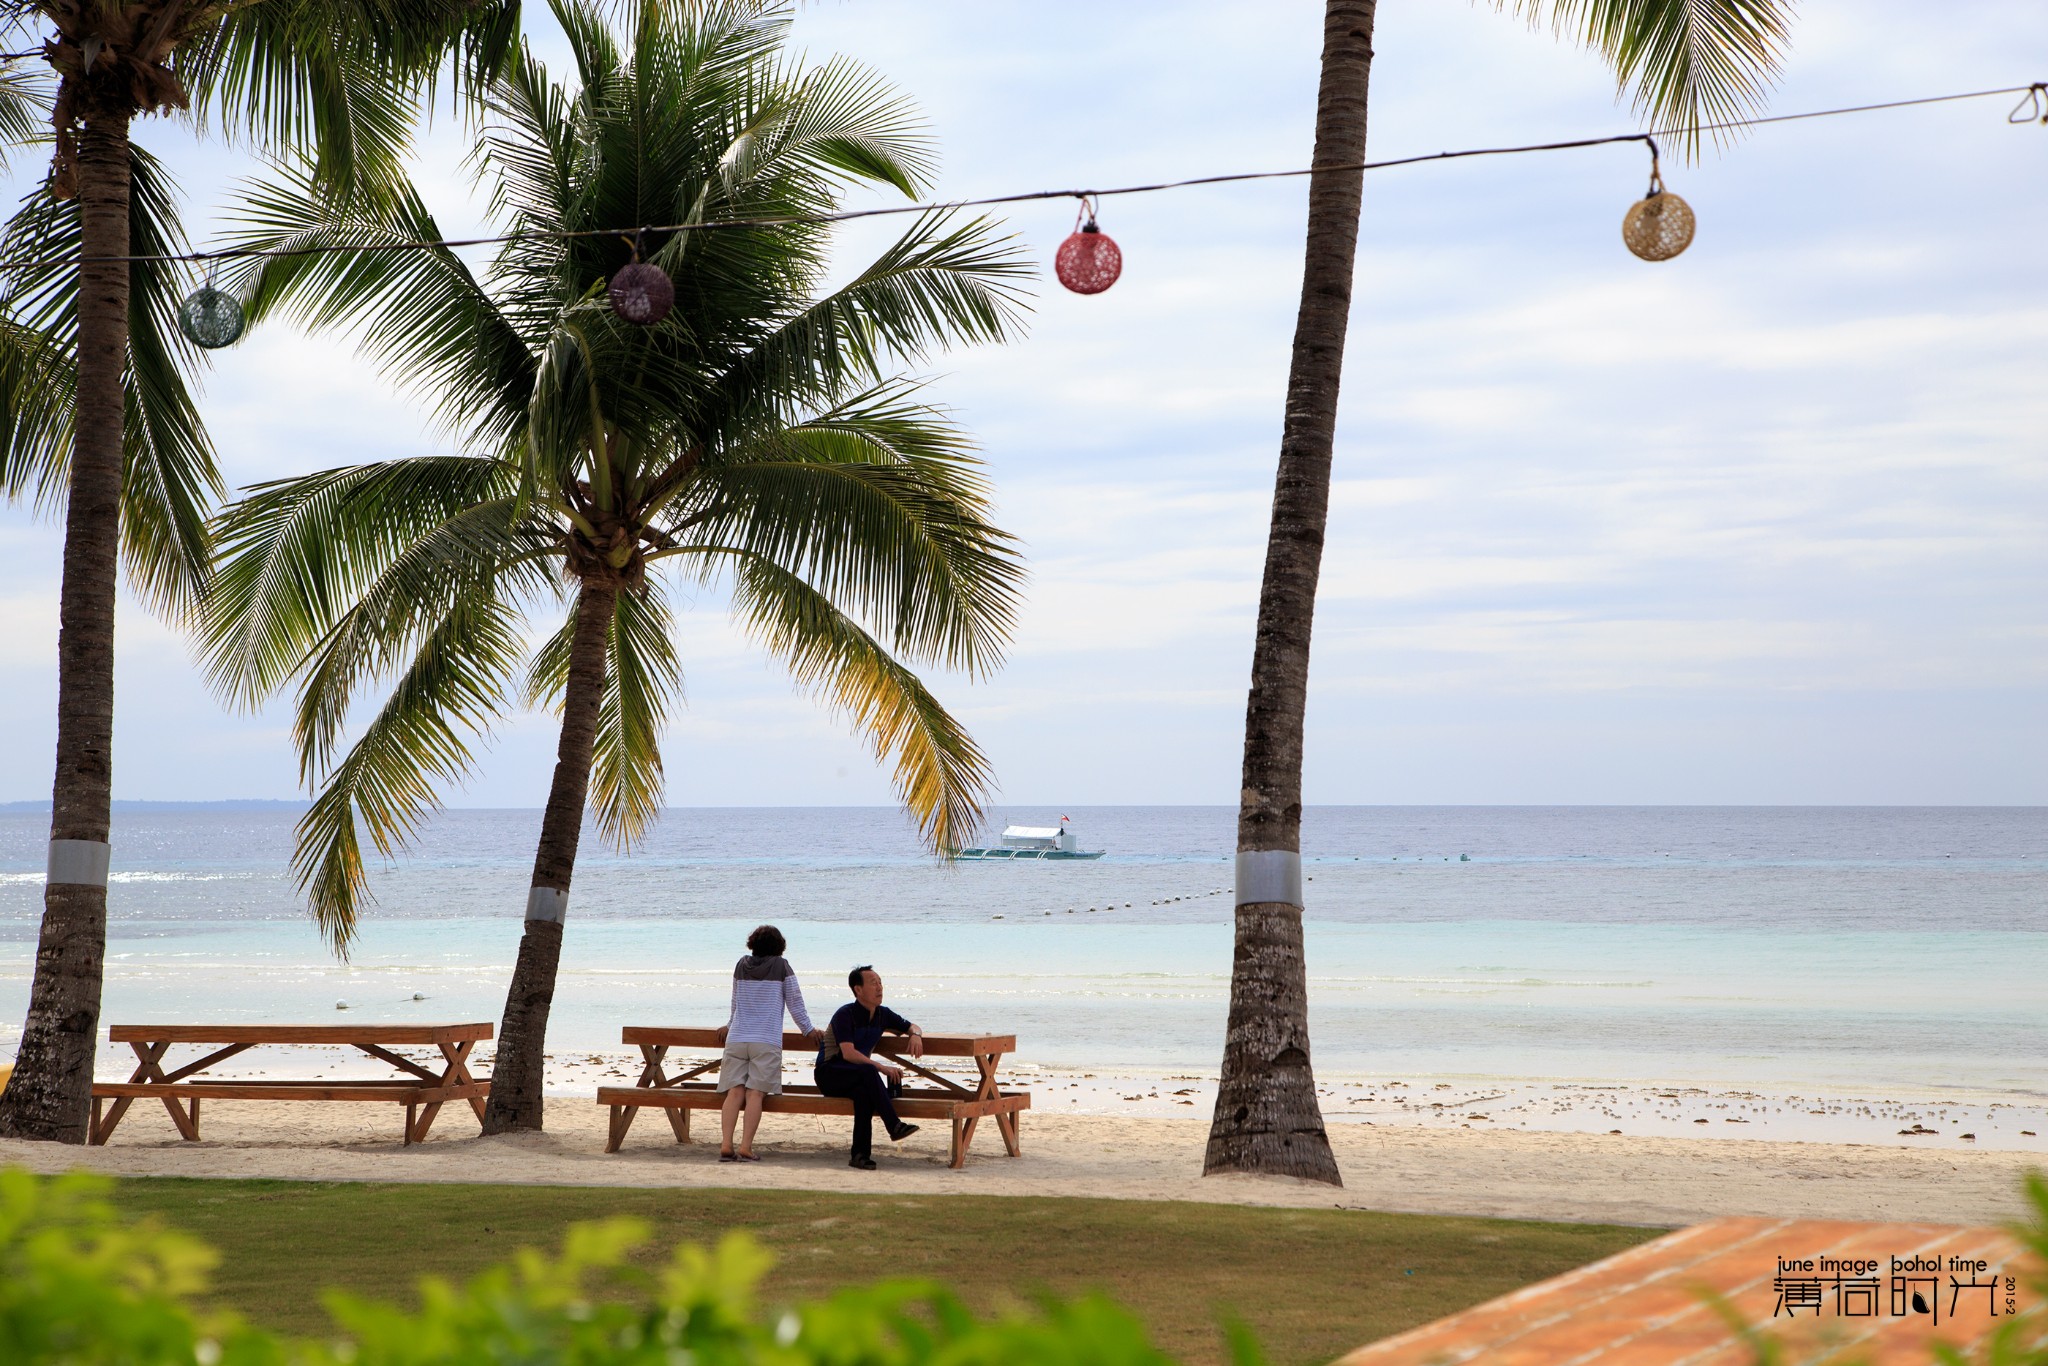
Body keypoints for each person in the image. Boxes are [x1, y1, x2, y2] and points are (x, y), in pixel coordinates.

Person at [713, 925, 821, 1162]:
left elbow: (736, 1001)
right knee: (755, 1095)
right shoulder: (782, 966)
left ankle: (726, 1144)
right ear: (779, 946)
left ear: (753, 943)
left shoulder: (742, 964)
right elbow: (795, 1002)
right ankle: (746, 1147)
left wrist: (730, 1024)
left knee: (734, 1093)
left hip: (738, 1038)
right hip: (765, 1040)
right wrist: (808, 1030)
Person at [814, 965, 925, 1170]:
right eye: (873, 983)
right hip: (829, 1074)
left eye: (880, 982)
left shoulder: (883, 1014)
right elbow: (848, 1053)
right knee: (868, 1071)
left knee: (864, 1095)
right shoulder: (845, 1014)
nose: (879, 987)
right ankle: (893, 1125)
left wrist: (916, 1035)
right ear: (858, 990)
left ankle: (859, 1155)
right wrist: (882, 1068)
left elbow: (911, 1026)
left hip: (858, 1076)